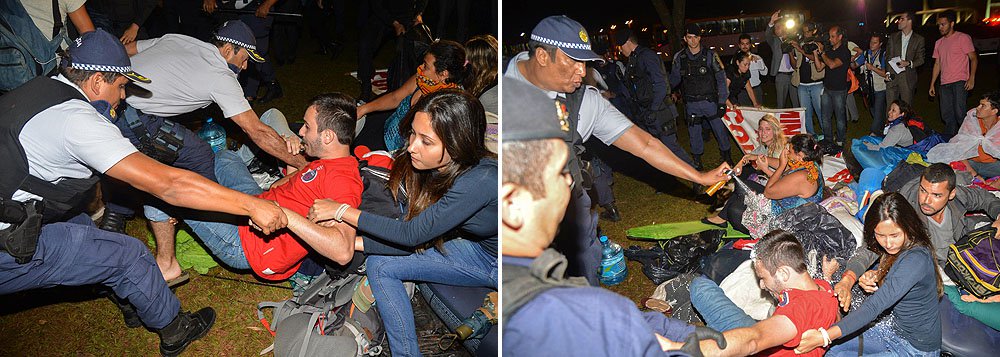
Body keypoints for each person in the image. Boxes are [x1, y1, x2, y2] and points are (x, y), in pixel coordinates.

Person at [0, 29, 287, 356]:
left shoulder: (40, 87)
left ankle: (131, 299)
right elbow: (171, 184)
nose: (123, 97)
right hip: (8, 238)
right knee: (128, 255)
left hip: (18, 204)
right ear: (97, 82)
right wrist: (251, 205)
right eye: (121, 87)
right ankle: (175, 329)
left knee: (81, 226)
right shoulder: (77, 121)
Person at [500, 77, 724, 357]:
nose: (571, 186)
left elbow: (597, 316)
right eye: (559, 174)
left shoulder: (541, 269)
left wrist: (672, 330)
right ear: (512, 201)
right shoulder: (529, 311)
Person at [505, 15, 728, 285]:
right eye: (573, 61)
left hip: (574, 212)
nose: (582, 72)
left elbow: (645, 144)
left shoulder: (585, 100)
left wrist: (699, 177)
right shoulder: (499, 100)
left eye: (585, 63)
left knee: (585, 282)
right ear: (542, 56)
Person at [110, 20, 308, 283]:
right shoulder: (220, 75)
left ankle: (122, 216)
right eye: (245, 58)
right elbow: (257, 131)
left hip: (115, 103)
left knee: (201, 155)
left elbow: (128, 49)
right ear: (228, 49)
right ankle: (189, 238)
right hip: (133, 116)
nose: (246, 66)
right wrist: (304, 164)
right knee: (175, 175)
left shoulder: (181, 39)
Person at [307, 90, 496, 357]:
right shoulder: (441, 169)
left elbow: (411, 235)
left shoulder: (480, 179)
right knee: (380, 265)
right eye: (413, 134)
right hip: (479, 250)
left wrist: (342, 211)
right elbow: (418, 238)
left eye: (426, 141)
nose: (411, 147)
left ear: (457, 143)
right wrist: (350, 243)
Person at [181, 93, 362, 280]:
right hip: (258, 201)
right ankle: (214, 198)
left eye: (307, 127)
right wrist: (289, 155)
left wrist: (284, 214)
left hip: (250, 245)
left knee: (179, 195)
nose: (300, 131)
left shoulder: (344, 180)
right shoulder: (327, 161)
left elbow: (343, 252)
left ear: (327, 136)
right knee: (225, 157)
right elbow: (284, 187)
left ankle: (167, 263)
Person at [840, 164, 1000, 331]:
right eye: (923, 191)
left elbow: (985, 197)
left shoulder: (959, 196)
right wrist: (849, 278)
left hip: (963, 247)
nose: (926, 200)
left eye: (936, 195)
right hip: (944, 268)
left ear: (951, 194)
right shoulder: (908, 207)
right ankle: (872, 197)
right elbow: (871, 247)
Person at [797, 192, 942, 356]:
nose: (887, 243)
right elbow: (866, 252)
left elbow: (875, 306)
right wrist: (848, 280)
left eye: (894, 235)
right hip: (893, 329)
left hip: (916, 348)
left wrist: (824, 336)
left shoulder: (917, 259)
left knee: (827, 342)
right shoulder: (890, 240)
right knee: (831, 351)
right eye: (880, 235)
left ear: (909, 227)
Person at [671, 230, 840, 356]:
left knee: (700, 288)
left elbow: (753, 341)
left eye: (763, 277)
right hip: (763, 334)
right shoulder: (823, 289)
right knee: (702, 288)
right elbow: (835, 316)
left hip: (753, 348)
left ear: (783, 273)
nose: (762, 285)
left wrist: (680, 350)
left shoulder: (797, 310)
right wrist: (827, 277)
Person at [356, 40, 468, 152]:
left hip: (404, 152)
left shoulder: (448, 103)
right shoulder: (425, 79)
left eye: (426, 66)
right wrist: (364, 109)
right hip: (385, 130)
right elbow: (395, 97)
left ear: (443, 74)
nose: (420, 68)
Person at [704, 134, 824, 236]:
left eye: (790, 150)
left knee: (734, 211)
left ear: (800, 155)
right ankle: (721, 218)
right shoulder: (809, 163)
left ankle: (727, 217)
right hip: (780, 204)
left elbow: (769, 192)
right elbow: (785, 168)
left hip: (783, 224)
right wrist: (754, 157)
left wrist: (770, 168)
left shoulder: (802, 177)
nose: (787, 152)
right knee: (746, 185)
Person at [616, 28, 693, 166]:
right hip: (647, 112)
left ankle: (697, 177)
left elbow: (661, 85)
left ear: (627, 42)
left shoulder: (647, 56)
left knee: (672, 148)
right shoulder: (633, 60)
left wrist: (653, 109)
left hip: (660, 111)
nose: (620, 50)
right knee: (656, 152)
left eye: (620, 46)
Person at [670, 23, 733, 168]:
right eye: (689, 37)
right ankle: (697, 161)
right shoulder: (680, 58)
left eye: (695, 37)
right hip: (691, 103)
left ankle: (727, 158)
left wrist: (722, 101)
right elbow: (674, 80)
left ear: (700, 38)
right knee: (694, 135)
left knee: (720, 131)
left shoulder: (711, 55)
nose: (692, 41)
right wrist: (666, 89)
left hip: (710, 102)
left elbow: (721, 79)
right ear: (685, 38)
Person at [356, 0, 426, 101]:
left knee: (410, 49)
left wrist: (419, 14)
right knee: (365, 45)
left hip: (406, 17)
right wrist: (395, 23)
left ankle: (409, 88)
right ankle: (366, 89)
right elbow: (376, 6)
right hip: (381, 16)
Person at [928, 91, 1000, 181]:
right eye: (979, 104)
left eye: (983, 106)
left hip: (992, 165)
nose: (977, 108)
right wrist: (975, 175)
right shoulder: (973, 121)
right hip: (970, 162)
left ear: (994, 111)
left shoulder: (998, 128)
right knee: (951, 175)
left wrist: (997, 183)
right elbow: (959, 150)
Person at [929, 10, 978, 138]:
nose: (940, 27)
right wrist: (932, 84)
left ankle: (968, 139)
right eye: (939, 25)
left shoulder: (963, 38)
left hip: (960, 81)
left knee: (960, 113)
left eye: (943, 24)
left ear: (952, 23)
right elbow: (937, 64)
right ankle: (950, 140)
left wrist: (971, 78)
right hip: (944, 83)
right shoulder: (938, 43)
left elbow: (973, 58)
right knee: (946, 115)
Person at [814, 25, 851, 145]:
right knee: (825, 117)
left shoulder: (845, 52)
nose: (830, 39)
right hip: (827, 88)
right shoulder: (829, 51)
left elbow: (832, 65)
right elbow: (819, 68)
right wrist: (816, 54)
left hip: (839, 90)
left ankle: (840, 140)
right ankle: (828, 140)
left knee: (840, 118)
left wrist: (823, 53)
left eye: (833, 36)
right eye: (830, 36)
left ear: (840, 37)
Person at [885, 11, 926, 110]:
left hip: (907, 77)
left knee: (906, 108)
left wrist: (908, 63)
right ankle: (889, 125)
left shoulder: (919, 39)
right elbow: (888, 56)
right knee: (890, 108)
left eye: (902, 19)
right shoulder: (893, 37)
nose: (898, 21)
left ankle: (906, 125)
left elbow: (921, 59)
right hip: (893, 76)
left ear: (909, 21)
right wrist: (887, 72)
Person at [789, 21, 824, 137]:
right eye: (804, 32)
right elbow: (795, 66)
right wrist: (790, 52)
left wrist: (799, 49)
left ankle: (826, 134)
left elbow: (815, 59)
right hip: (802, 84)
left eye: (808, 32)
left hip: (816, 83)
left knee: (820, 111)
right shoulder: (800, 43)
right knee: (806, 112)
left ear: (814, 31)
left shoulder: (819, 44)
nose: (805, 34)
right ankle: (811, 136)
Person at [764, 11, 799, 109]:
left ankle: (798, 122)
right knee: (780, 103)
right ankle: (780, 123)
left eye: (779, 27)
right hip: (781, 75)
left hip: (793, 74)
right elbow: (767, 35)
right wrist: (771, 21)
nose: (777, 29)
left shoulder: (793, 40)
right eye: (775, 28)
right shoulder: (774, 41)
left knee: (796, 102)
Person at [857, 33, 889, 136]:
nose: (872, 44)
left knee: (878, 110)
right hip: (869, 88)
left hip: (880, 88)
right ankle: (882, 129)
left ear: (880, 44)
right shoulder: (866, 53)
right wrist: (852, 59)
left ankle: (873, 132)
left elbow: (885, 73)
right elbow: (855, 65)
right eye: (871, 42)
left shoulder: (883, 55)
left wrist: (872, 68)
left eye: (875, 43)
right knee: (873, 110)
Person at [465, 34, 498, 114]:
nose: (464, 63)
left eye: (467, 59)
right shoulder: (483, 81)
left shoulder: (489, 97)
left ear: (478, 63)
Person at [735, 33, 767, 107]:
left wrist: (759, 62)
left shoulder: (757, 57)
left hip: (756, 90)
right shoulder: (735, 60)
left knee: (758, 114)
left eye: (747, 44)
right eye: (742, 44)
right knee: (745, 114)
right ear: (739, 45)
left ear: (750, 45)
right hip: (742, 91)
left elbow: (764, 73)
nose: (745, 46)